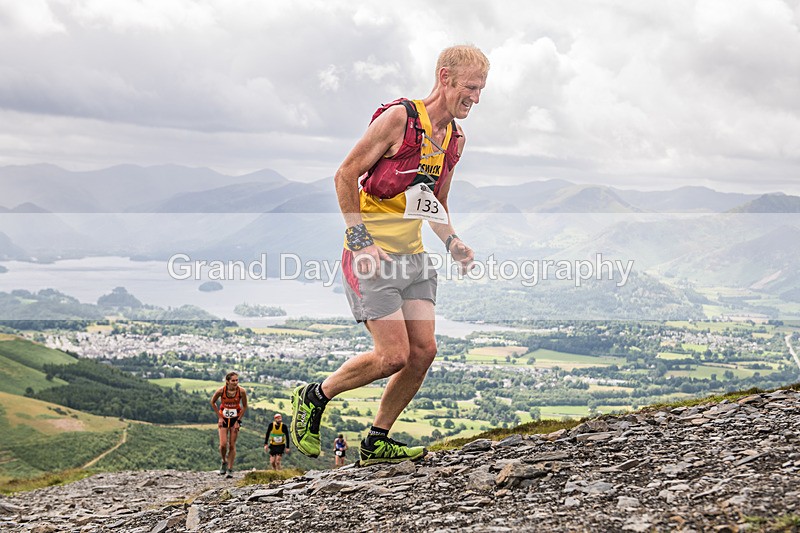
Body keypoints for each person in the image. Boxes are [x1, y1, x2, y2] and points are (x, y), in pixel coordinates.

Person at [291, 45, 488, 466]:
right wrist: (360, 238)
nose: (475, 97)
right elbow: (345, 174)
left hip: (413, 258)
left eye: (481, 90)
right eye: (470, 87)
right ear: (445, 77)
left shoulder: (455, 140)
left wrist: (452, 242)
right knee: (392, 356)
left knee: (424, 352)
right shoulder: (401, 118)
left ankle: (376, 440)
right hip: (371, 257)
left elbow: (436, 203)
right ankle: (314, 396)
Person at [210, 371, 247, 478]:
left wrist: (238, 421)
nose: (235, 382)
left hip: (235, 419)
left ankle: (230, 469)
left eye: (237, 380)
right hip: (224, 419)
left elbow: (244, 406)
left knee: (231, 445)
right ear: (227, 381)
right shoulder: (221, 391)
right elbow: (212, 402)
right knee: (223, 444)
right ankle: (224, 461)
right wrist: (220, 417)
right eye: (233, 381)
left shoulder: (241, 391)